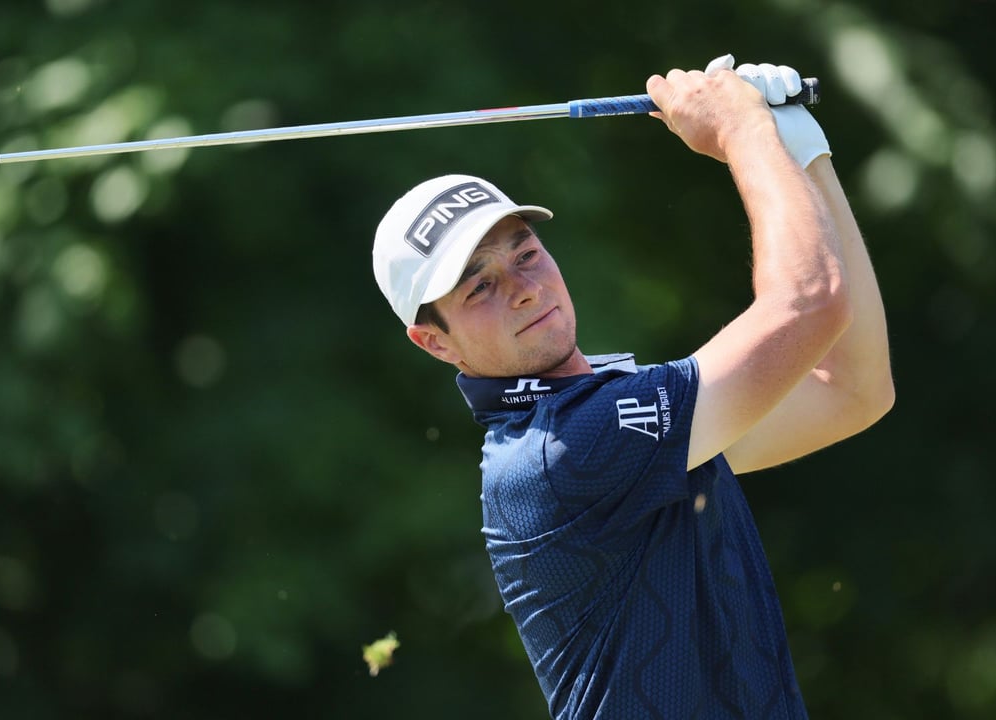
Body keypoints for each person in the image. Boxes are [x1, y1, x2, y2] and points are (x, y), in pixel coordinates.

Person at [371, 54, 893, 720]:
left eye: (526, 253)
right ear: (435, 342)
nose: (526, 289)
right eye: (480, 287)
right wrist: (742, 132)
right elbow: (810, 303)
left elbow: (852, 388)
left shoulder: (634, 421)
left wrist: (799, 148)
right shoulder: (562, 452)